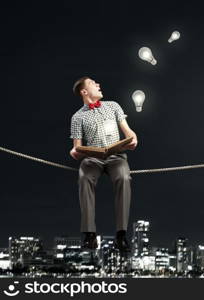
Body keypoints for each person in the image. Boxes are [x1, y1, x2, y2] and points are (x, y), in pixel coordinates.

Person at [69, 76, 138, 252]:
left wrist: (133, 139)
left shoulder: (113, 106)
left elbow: (129, 132)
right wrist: (75, 152)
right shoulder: (77, 117)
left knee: (124, 177)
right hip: (93, 159)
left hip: (116, 157)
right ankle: (89, 234)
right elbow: (77, 146)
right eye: (93, 83)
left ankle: (121, 234)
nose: (98, 84)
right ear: (84, 91)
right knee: (84, 178)